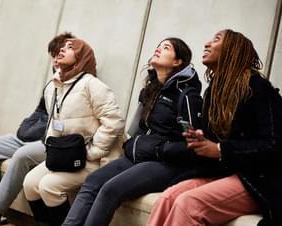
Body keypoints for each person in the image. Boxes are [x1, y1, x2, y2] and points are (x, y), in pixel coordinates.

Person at [146, 29, 282, 226]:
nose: (207, 43)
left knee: (188, 204)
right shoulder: (213, 92)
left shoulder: (257, 87)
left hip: (259, 179)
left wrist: (218, 149)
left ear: (233, 50)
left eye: (216, 39)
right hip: (226, 173)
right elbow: (216, 145)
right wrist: (202, 142)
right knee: (166, 199)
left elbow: (275, 143)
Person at [62, 37, 214, 226]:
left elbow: (193, 145)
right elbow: (138, 128)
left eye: (165, 48)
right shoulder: (152, 89)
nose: (158, 49)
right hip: (138, 155)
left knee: (110, 190)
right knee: (92, 181)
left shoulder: (188, 96)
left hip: (165, 162)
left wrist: (160, 149)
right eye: (158, 46)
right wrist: (131, 144)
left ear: (177, 61)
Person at [0, 32, 75, 226]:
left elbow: (64, 124)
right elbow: (39, 113)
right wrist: (26, 128)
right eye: (53, 54)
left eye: (61, 52)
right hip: (30, 137)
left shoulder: (80, 83)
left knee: (21, 155)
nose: (56, 58)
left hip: (50, 143)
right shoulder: (52, 83)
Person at [22, 38, 125, 226]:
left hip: (95, 160)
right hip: (66, 157)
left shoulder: (92, 84)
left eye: (70, 48)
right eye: (62, 47)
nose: (61, 50)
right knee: (30, 183)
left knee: (48, 186)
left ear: (82, 57)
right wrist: (54, 151)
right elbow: (54, 124)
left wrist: (92, 152)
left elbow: (115, 121)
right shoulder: (52, 87)